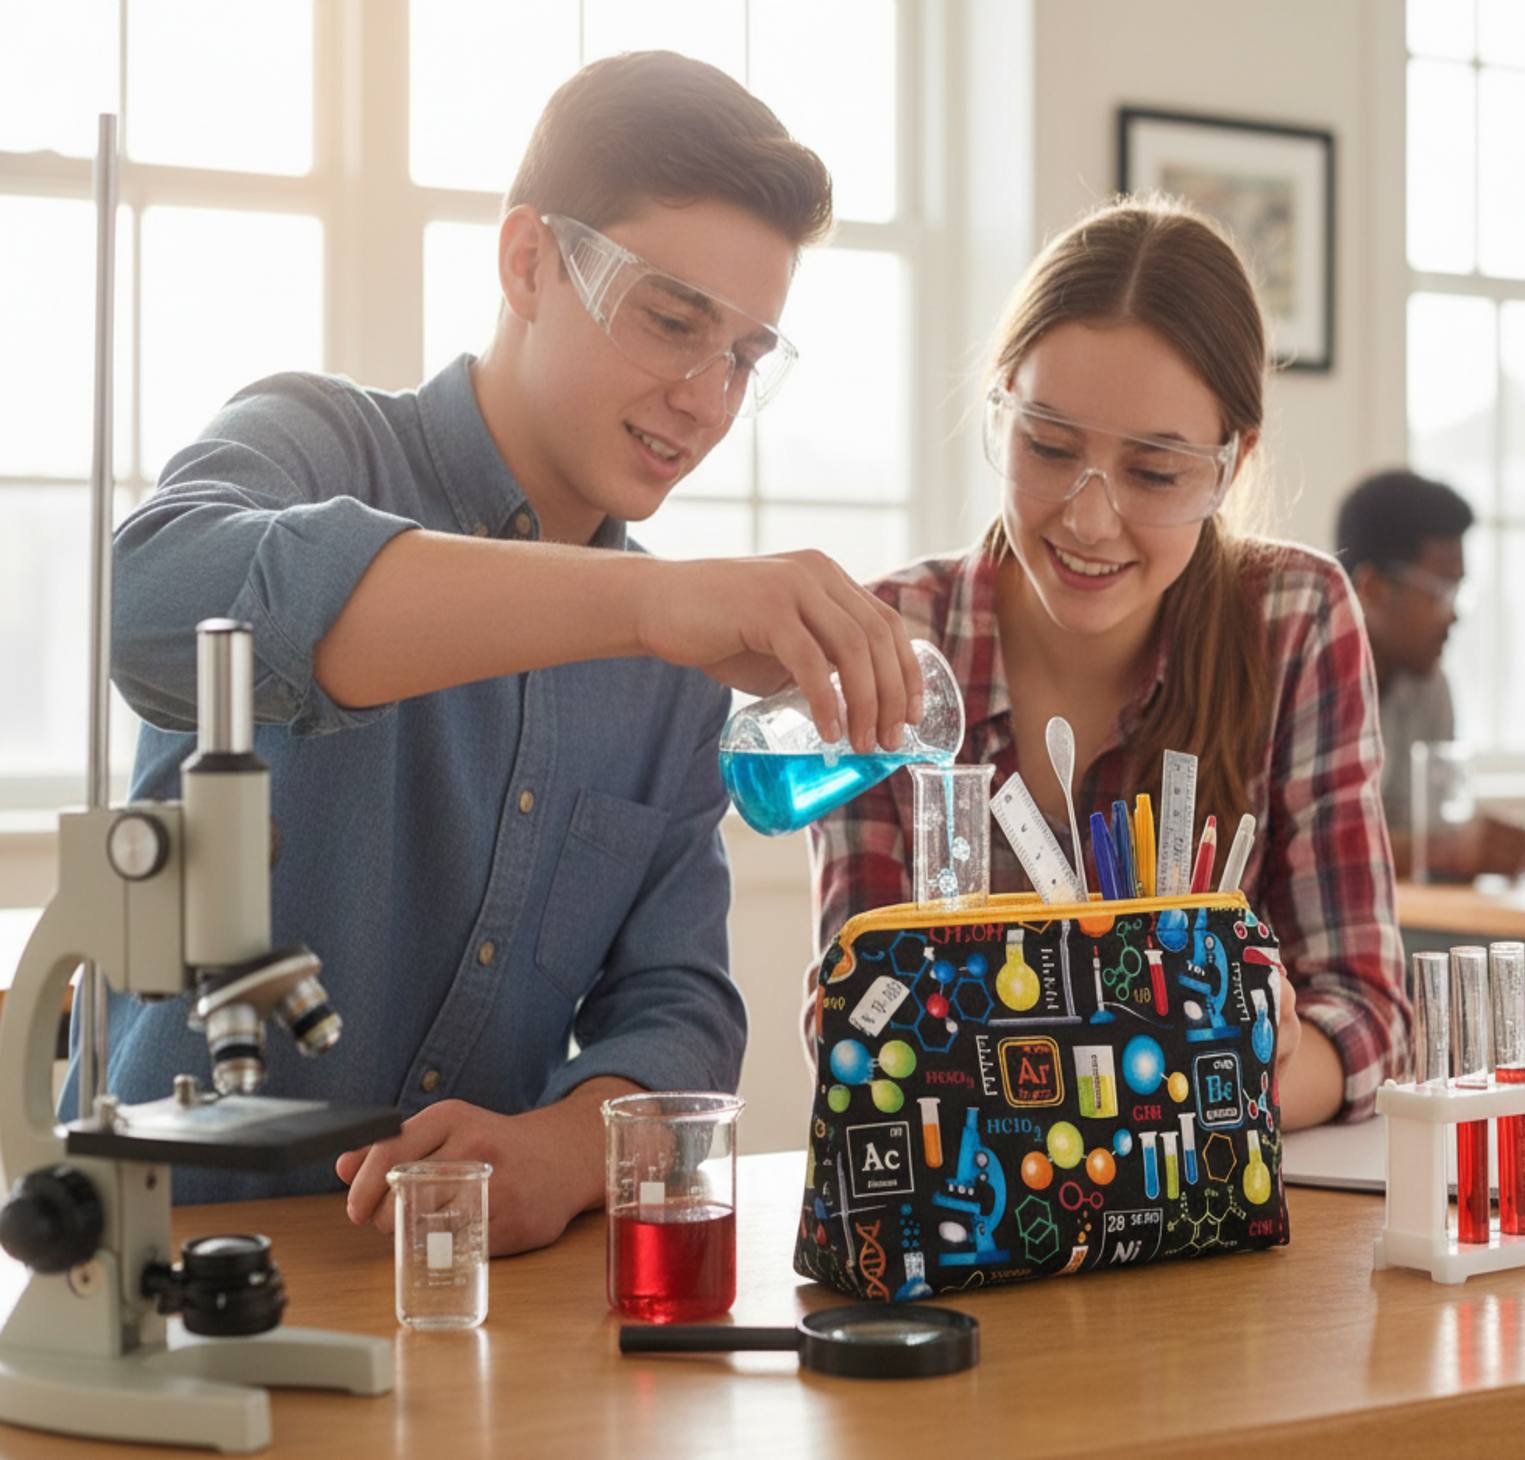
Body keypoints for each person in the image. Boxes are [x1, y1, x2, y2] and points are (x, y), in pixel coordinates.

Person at [87, 52, 925, 1255]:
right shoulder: (314, 440)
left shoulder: (672, 663)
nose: (706, 400)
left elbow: (679, 1002)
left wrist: (571, 1147)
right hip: (167, 1260)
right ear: (528, 261)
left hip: (467, 1289)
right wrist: (644, 604)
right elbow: (151, 604)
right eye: (672, 320)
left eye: (745, 357)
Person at [807, 197, 1408, 1129]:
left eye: (1155, 473)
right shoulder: (895, 637)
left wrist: (1254, 1061)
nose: (1089, 520)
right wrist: (1178, 1078)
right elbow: (851, 1024)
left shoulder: (1294, 619)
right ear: (1001, 410)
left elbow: (1366, 1020)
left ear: (1231, 464)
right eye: (1048, 447)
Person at [1334, 469, 1525, 881]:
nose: (1455, 616)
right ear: (1374, 588)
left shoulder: (1430, 688)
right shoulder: (1303, 690)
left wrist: (1480, 842)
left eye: (1459, 592)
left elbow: (1437, 825)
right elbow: (1313, 846)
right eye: (1442, 591)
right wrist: (1444, 850)